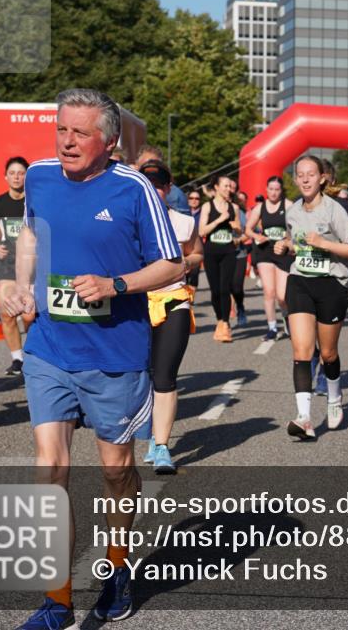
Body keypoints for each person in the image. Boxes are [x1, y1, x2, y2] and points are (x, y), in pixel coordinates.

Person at [3, 88, 182, 629]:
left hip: (114, 354)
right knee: (49, 469)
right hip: (49, 349)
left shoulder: (133, 188)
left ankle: (118, 566)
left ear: (108, 140)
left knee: (116, 470)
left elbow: (171, 264)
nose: (67, 141)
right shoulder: (39, 176)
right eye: (61, 129)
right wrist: (21, 282)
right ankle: (56, 602)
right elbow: (31, 232)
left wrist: (115, 284)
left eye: (80, 133)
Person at [274, 155, 348, 440]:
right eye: (300, 175)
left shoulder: (335, 210)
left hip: (331, 283)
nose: (305, 179)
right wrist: (285, 245)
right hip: (300, 281)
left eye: (311, 174)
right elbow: (297, 243)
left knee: (328, 353)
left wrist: (323, 243)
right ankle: (305, 418)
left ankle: (334, 398)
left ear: (322, 178)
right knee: (301, 351)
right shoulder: (293, 211)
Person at [140, 160, 203, 474]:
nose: (154, 191)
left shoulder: (183, 222)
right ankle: (150, 433)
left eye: (159, 186)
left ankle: (162, 445)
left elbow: (197, 252)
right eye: (148, 186)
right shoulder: (128, 221)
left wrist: (186, 263)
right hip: (136, 304)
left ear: (168, 188)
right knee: (142, 375)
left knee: (165, 375)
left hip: (173, 300)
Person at [0, 156, 36, 375]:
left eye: (21, 173)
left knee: (29, 315)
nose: (17, 177)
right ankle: (17, 359)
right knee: (7, 311)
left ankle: (33, 354)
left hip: (32, 264)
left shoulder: (35, 201)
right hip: (7, 265)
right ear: (5, 177)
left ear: (27, 176)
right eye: (12, 173)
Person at [246, 176, 293, 342]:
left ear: (281, 190)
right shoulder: (260, 207)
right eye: (271, 189)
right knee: (269, 291)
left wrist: (288, 240)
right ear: (266, 189)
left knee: (282, 295)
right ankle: (272, 328)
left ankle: (286, 318)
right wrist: (257, 237)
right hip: (265, 252)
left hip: (283, 253)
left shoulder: (288, 206)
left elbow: (297, 228)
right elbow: (248, 229)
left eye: (277, 189)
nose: (273, 193)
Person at [198, 175, 242, 342]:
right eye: (225, 186)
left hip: (228, 251)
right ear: (216, 187)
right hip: (211, 252)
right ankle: (219, 320)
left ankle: (225, 323)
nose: (229, 189)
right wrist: (219, 220)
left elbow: (239, 230)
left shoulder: (234, 207)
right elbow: (202, 231)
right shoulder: (207, 206)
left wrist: (236, 228)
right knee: (215, 290)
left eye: (230, 186)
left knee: (225, 289)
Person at [137, 144, 190, 215]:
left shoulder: (176, 197)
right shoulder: (129, 192)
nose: (148, 171)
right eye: (143, 166)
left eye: (153, 165)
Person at [232, 190, 251, 326]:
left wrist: (238, 240)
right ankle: (224, 320)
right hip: (222, 254)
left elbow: (248, 232)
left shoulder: (240, 213)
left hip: (239, 253)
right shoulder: (217, 211)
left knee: (237, 287)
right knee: (226, 287)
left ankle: (240, 307)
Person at [185, 189, 203, 288]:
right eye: (191, 198)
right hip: (184, 248)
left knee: (194, 277)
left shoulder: (204, 213)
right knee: (183, 277)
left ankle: (192, 298)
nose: (194, 200)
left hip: (197, 249)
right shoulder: (182, 213)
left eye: (197, 198)